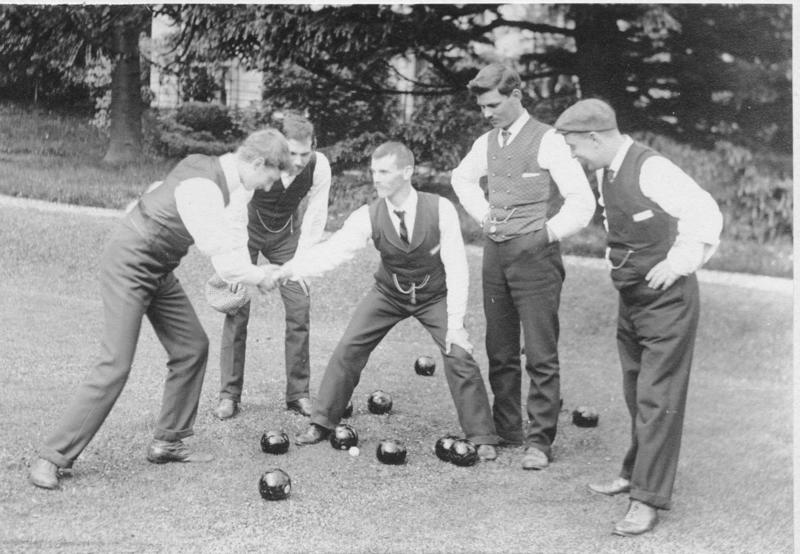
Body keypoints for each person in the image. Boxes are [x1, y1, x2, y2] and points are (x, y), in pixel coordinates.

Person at [28, 129, 292, 490]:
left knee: (191, 347)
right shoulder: (205, 185)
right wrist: (258, 275)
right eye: (269, 178)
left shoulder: (229, 178)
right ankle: (52, 457)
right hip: (130, 262)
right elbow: (221, 255)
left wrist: (248, 270)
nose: (266, 187)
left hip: (158, 267)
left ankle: (168, 441)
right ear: (259, 162)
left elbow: (232, 237)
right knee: (115, 363)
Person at [554, 98, 722, 536]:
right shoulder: (605, 171)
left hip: (667, 300)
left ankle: (647, 500)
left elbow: (704, 212)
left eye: (575, 146)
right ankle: (634, 471)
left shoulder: (651, 168)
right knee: (635, 391)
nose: (574, 154)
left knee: (657, 397)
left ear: (596, 137)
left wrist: (680, 263)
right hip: (632, 299)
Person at [278, 141, 501, 460]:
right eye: (373, 171)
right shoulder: (368, 215)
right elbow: (334, 252)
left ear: (407, 172)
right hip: (389, 293)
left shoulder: (440, 209)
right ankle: (323, 422)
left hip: (434, 294)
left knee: (459, 351)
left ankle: (482, 434)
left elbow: (457, 267)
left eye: (384, 171)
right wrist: (290, 270)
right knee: (349, 347)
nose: (376, 178)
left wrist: (455, 323)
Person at [450, 63, 595, 470]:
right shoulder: (486, 142)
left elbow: (581, 201)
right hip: (496, 253)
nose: (486, 113)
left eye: (493, 104)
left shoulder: (549, 140)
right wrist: (484, 217)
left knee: (540, 352)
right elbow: (461, 179)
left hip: (536, 255)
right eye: (481, 107)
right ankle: (508, 427)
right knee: (500, 347)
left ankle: (540, 440)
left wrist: (545, 235)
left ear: (516, 95)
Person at [214, 112, 332, 420]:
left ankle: (298, 394)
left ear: (314, 146)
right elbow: (235, 215)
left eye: (305, 153)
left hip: (287, 236)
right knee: (237, 307)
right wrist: (240, 267)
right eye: (292, 153)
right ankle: (229, 394)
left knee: (299, 306)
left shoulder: (320, 166)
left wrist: (303, 263)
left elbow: (316, 216)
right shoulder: (263, 164)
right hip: (248, 233)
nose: (299, 160)